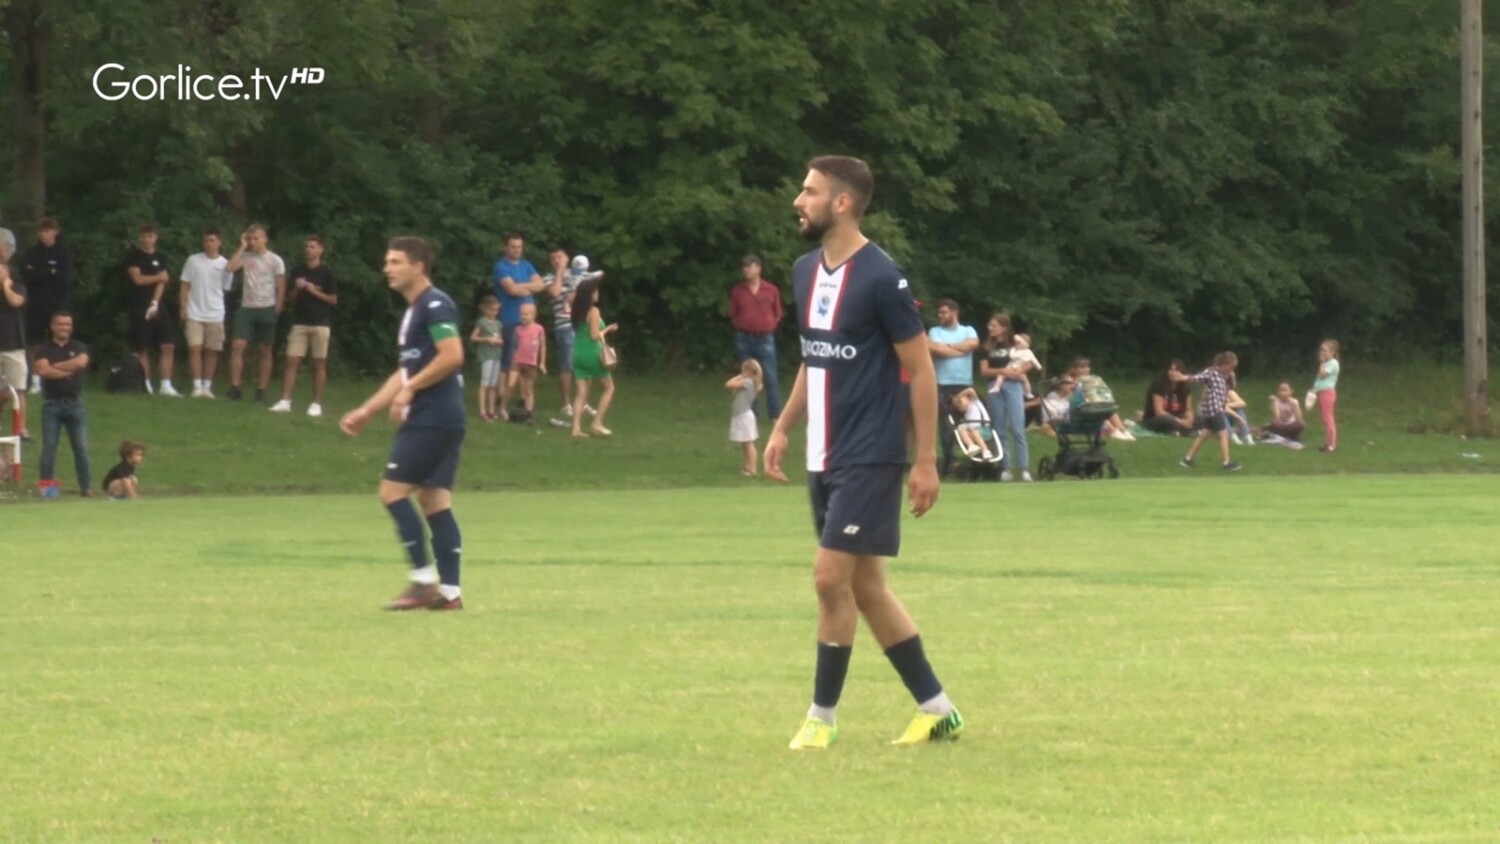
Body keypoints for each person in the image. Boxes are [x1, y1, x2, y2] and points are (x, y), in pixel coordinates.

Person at [764, 154, 963, 750]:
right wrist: (781, 428)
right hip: (823, 454)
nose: (799, 201)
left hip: (871, 453)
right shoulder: (804, 271)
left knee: (830, 580)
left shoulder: (883, 278)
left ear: (842, 203)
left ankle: (820, 720)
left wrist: (925, 460)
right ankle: (938, 709)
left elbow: (921, 371)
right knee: (867, 586)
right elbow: (813, 358)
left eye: (810, 191)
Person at [339, 236, 467, 611]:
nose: (387, 268)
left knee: (392, 493)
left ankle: (423, 581)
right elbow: (405, 371)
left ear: (418, 266)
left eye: (395, 261)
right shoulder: (414, 312)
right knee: (435, 502)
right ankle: (449, 594)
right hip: (442, 418)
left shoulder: (435, 304)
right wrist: (367, 410)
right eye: (387, 261)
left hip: (434, 417)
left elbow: (453, 355)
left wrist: (410, 391)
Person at [271, 235, 338, 416]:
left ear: (320, 250)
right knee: (291, 361)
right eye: (307, 246)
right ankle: (285, 400)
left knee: (319, 363)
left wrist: (314, 291)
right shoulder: (298, 270)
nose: (309, 249)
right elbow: (290, 298)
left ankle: (316, 404)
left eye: (312, 247)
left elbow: (333, 299)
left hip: (320, 323)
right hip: (300, 322)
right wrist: (297, 289)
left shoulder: (327, 272)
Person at [225, 224, 287, 404]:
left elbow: (280, 287)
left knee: (265, 349)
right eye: (250, 238)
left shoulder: (275, 260)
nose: (253, 242)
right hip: (247, 307)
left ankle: (261, 390)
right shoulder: (246, 256)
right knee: (237, 345)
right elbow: (230, 267)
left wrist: (277, 308)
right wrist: (242, 246)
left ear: (265, 239)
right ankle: (235, 387)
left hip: (267, 307)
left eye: (256, 238)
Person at [33, 312, 93, 496]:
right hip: (52, 405)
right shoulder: (43, 349)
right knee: (49, 448)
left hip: (75, 404)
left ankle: (86, 488)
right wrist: (67, 371)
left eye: (68, 324)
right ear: (52, 326)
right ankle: (48, 490)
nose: (65, 328)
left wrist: (56, 366)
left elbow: (81, 362)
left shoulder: (79, 346)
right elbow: (43, 370)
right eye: (61, 324)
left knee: (81, 447)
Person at [544, 248, 603, 424]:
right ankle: (566, 403)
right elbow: (554, 293)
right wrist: (561, 271)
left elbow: (596, 286)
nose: (556, 260)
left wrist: (583, 277)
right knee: (568, 365)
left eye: (560, 257)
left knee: (586, 361)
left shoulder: (581, 275)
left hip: (581, 323)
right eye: (553, 258)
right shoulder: (549, 277)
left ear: (568, 258)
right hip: (563, 324)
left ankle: (583, 401)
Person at [491, 233, 546, 419]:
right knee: (508, 361)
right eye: (513, 247)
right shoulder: (501, 266)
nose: (516, 250)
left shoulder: (526, 265)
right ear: (505, 247)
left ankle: (525, 400)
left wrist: (522, 286)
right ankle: (500, 397)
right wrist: (528, 286)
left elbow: (541, 285)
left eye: (519, 247)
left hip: (530, 322)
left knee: (527, 361)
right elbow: (511, 290)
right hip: (511, 319)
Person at [978, 313, 1038, 481]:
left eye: (994, 325)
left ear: (1004, 327)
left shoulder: (1014, 344)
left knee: (1018, 427)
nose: (990, 328)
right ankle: (1005, 467)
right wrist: (1002, 371)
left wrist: (1019, 372)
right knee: (1000, 427)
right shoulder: (986, 347)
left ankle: (1024, 468)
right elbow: (984, 371)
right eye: (990, 325)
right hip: (994, 386)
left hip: (1013, 385)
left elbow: (1029, 360)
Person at [18, 218, 73, 394]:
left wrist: (41, 274)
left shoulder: (63, 252)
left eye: (48, 231)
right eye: (41, 231)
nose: (44, 234)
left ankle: (59, 375)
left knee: (57, 340)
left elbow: (64, 278)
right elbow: (27, 275)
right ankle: (35, 380)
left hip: (56, 303)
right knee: (34, 342)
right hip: (35, 303)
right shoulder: (33, 253)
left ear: (55, 232)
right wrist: (48, 273)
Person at [125, 223, 180, 396]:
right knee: (142, 347)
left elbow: (162, 283)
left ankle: (165, 385)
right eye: (144, 236)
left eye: (150, 236)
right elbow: (138, 279)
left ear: (156, 238)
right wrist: (158, 277)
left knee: (168, 345)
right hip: (138, 303)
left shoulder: (161, 257)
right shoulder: (134, 256)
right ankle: (146, 383)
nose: (147, 239)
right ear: (140, 237)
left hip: (157, 304)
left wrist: (155, 303)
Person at [179, 228, 234, 398]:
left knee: (212, 350)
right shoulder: (193, 260)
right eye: (205, 241)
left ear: (219, 242)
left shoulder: (225, 264)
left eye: (212, 240)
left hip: (215, 313)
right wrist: (183, 306)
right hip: (194, 311)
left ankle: (207, 386)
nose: (208, 244)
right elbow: (185, 284)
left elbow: (225, 289)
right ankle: (196, 386)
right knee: (194, 348)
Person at [926, 299, 979, 477]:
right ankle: (949, 463)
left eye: (944, 312)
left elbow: (973, 344)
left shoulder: (968, 330)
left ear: (954, 312)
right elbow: (936, 350)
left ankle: (974, 461)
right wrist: (960, 350)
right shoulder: (935, 331)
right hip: (943, 384)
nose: (940, 316)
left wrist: (947, 347)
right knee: (947, 426)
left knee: (971, 423)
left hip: (965, 384)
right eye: (939, 313)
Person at [729, 254, 784, 420]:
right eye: (744, 266)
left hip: (765, 339)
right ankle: (752, 413)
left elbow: (777, 314)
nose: (747, 270)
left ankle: (775, 415)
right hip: (745, 339)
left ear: (759, 268)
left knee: (770, 377)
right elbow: (733, 314)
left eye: (750, 266)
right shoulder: (738, 292)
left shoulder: (771, 290)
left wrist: (768, 326)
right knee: (748, 379)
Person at [1172, 352, 1242, 472]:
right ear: (1224, 364)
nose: (1232, 370)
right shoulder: (1212, 372)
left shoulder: (1225, 376)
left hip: (1216, 409)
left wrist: (1232, 378)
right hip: (1214, 409)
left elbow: (1231, 387)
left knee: (1204, 436)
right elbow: (1197, 377)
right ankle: (1226, 462)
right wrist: (1183, 377)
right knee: (1223, 435)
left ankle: (1187, 459)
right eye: (1231, 367)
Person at [569, 276, 617, 438]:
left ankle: (575, 428)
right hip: (592, 353)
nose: (597, 293)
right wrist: (608, 329)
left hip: (577, 353)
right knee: (609, 388)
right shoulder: (594, 311)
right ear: (590, 294)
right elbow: (595, 335)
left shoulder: (576, 310)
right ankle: (597, 422)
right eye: (595, 291)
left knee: (581, 391)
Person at [1068, 357, 1134, 441]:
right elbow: (1071, 396)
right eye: (1082, 367)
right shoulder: (1069, 380)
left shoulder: (1093, 379)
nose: (1086, 370)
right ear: (1074, 369)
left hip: (1091, 404)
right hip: (1078, 408)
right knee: (1099, 412)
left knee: (1110, 411)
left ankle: (1123, 430)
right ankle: (1114, 431)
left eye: (1087, 367)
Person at [0, 263, 29, 437]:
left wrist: (5, 286)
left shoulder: (18, 288)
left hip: (14, 347)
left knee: (18, 389)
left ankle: (21, 428)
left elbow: (15, 302)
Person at [506, 302, 546, 422]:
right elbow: (513, 346)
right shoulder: (518, 329)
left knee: (528, 389)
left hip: (531, 362)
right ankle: (502, 407)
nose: (523, 317)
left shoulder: (539, 329)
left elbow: (542, 346)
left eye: (526, 314)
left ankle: (528, 413)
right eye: (521, 314)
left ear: (533, 315)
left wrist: (542, 363)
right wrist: (511, 358)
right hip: (518, 361)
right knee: (510, 384)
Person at [726, 358, 763, 476]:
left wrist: (739, 376)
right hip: (740, 415)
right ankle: (747, 465)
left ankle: (753, 468)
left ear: (748, 371)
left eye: (743, 370)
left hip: (744, 416)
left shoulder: (748, 382)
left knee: (748, 443)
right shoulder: (749, 382)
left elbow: (728, 384)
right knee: (744, 443)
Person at [470, 295, 504, 421]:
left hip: (496, 354)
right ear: (485, 309)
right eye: (492, 310)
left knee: (493, 384)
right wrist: (486, 339)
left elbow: (501, 338)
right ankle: (482, 410)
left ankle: (491, 410)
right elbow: (473, 337)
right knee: (485, 383)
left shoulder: (498, 323)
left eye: (496, 310)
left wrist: (499, 341)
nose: (495, 313)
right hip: (486, 355)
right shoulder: (482, 322)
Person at [1140, 360, 1195, 436]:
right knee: (1167, 421)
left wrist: (1190, 419)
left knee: (1201, 419)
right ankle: (1185, 431)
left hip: (1177, 418)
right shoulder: (1159, 385)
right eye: (1171, 370)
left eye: (1177, 371)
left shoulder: (1185, 388)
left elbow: (1188, 410)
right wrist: (1181, 422)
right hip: (1158, 419)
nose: (1173, 373)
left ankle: (1181, 430)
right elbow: (1159, 412)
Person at [949, 387, 995, 460]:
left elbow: (971, 390)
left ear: (968, 398)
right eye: (958, 407)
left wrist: (958, 397)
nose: (959, 406)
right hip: (974, 435)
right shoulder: (966, 415)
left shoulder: (975, 403)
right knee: (961, 428)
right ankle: (972, 445)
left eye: (960, 401)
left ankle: (986, 451)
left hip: (985, 431)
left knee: (974, 431)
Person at [1313, 339, 1340, 453]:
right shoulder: (1327, 363)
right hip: (1321, 392)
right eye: (1321, 350)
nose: (1322, 352)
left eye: (1325, 350)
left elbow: (1322, 375)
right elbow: (1319, 380)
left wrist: (1322, 362)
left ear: (1332, 352)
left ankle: (1331, 444)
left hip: (1327, 393)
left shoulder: (1332, 363)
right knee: (1325, 419)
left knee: (1328, 419)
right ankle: (1327, 443)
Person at [1261, 381, 1306, 448]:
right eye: (1280, 390)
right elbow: (1277, 417)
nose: (1282, 393)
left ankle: (1286, 436)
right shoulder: (1276, 401)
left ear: (1291, 391)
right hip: (1280, 424)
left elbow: (1299, 419)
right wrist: (1275, 402)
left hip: (1291, 424)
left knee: (1301, 424)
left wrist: (1296, 405)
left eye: (1284, 390)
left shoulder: (1294, 401)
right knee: (1274, 424)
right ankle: (1285, 437)